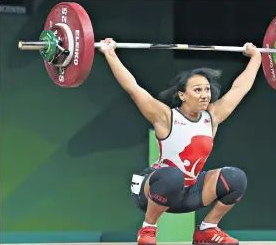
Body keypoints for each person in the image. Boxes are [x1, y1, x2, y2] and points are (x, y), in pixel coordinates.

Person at [99, 38, 262, 245]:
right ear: (182, 95)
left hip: (189, 193)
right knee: (173, 176)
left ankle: (207, 229)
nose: (205, 95)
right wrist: (109, 53)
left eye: (207, 89)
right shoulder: (166, 117)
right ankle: (148, 229)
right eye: (197, 90)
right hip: (153, 190)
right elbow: (133, 88)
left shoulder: (212, 117)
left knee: (236, 178)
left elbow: (240, 88)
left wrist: (256, 57)